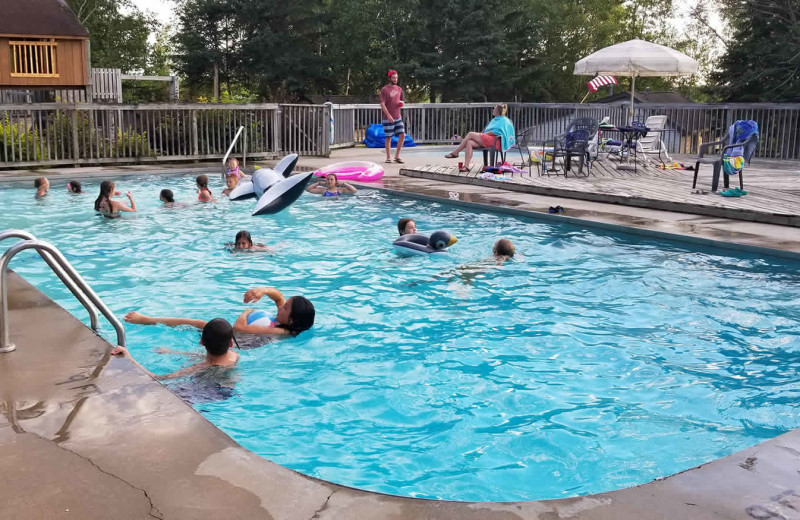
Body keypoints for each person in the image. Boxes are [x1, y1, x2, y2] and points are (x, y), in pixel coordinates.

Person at [125, 286, 315, 339]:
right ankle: (150, 319)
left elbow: (238, 327)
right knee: (196, 323)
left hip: (234, 340)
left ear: (291, 320)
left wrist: (248, 310)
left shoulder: (282, 332)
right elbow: (278, 295)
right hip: (236, 336)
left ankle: (148, 320)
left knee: (197, 323)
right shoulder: (284, 320)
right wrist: (263, 290)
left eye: (285, 308)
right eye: (285, 304)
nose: (280, 306)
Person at [110, 318, 239, 380]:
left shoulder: (200, 367)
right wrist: (175, 352)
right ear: (231, 343)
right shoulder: (234, 356)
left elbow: (157, 378)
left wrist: (128, 356)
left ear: (201, 342)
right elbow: (209, 358)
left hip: (208, 388)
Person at [445, 104, 516, 172]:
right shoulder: (495, 119)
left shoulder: (503, 120)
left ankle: (456, 152)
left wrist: (482, 134)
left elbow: (497, 132)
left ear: (498, 111)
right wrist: (482, 134)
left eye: (494, 108)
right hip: (488, 139)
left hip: (496, 141)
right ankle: (466, 166)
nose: (493, 110)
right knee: (469, 142)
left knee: (470, 134)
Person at [380, 69, 405, 164]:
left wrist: (401, 104)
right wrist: (388, 115)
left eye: (396, 78)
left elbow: (401, 101)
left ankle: (397, 156)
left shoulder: (399, 89)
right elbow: (382, 104)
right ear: (389, 78)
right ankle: (388, 157)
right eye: (394, 78)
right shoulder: (385, 89)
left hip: (398, 116)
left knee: (402, 135)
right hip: (388, 118)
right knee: (389, 137)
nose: (395, 79)